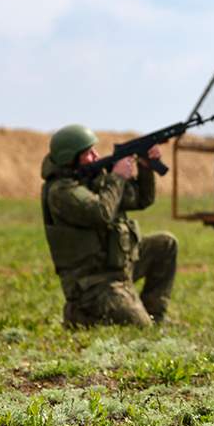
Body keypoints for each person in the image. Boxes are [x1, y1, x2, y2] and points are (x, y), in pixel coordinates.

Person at [40, 125, 178, 327]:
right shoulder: (61, 192)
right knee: (139, 326)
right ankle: (80, 313)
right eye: (88, 153)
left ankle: (156, 315)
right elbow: (101, 213)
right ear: (70, 158)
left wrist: (145, 168)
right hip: (93, 283)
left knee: (165, 244)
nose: (96, 156)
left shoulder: (93, 180)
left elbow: (142, 199)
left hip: (118, 267)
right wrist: (117, 177)